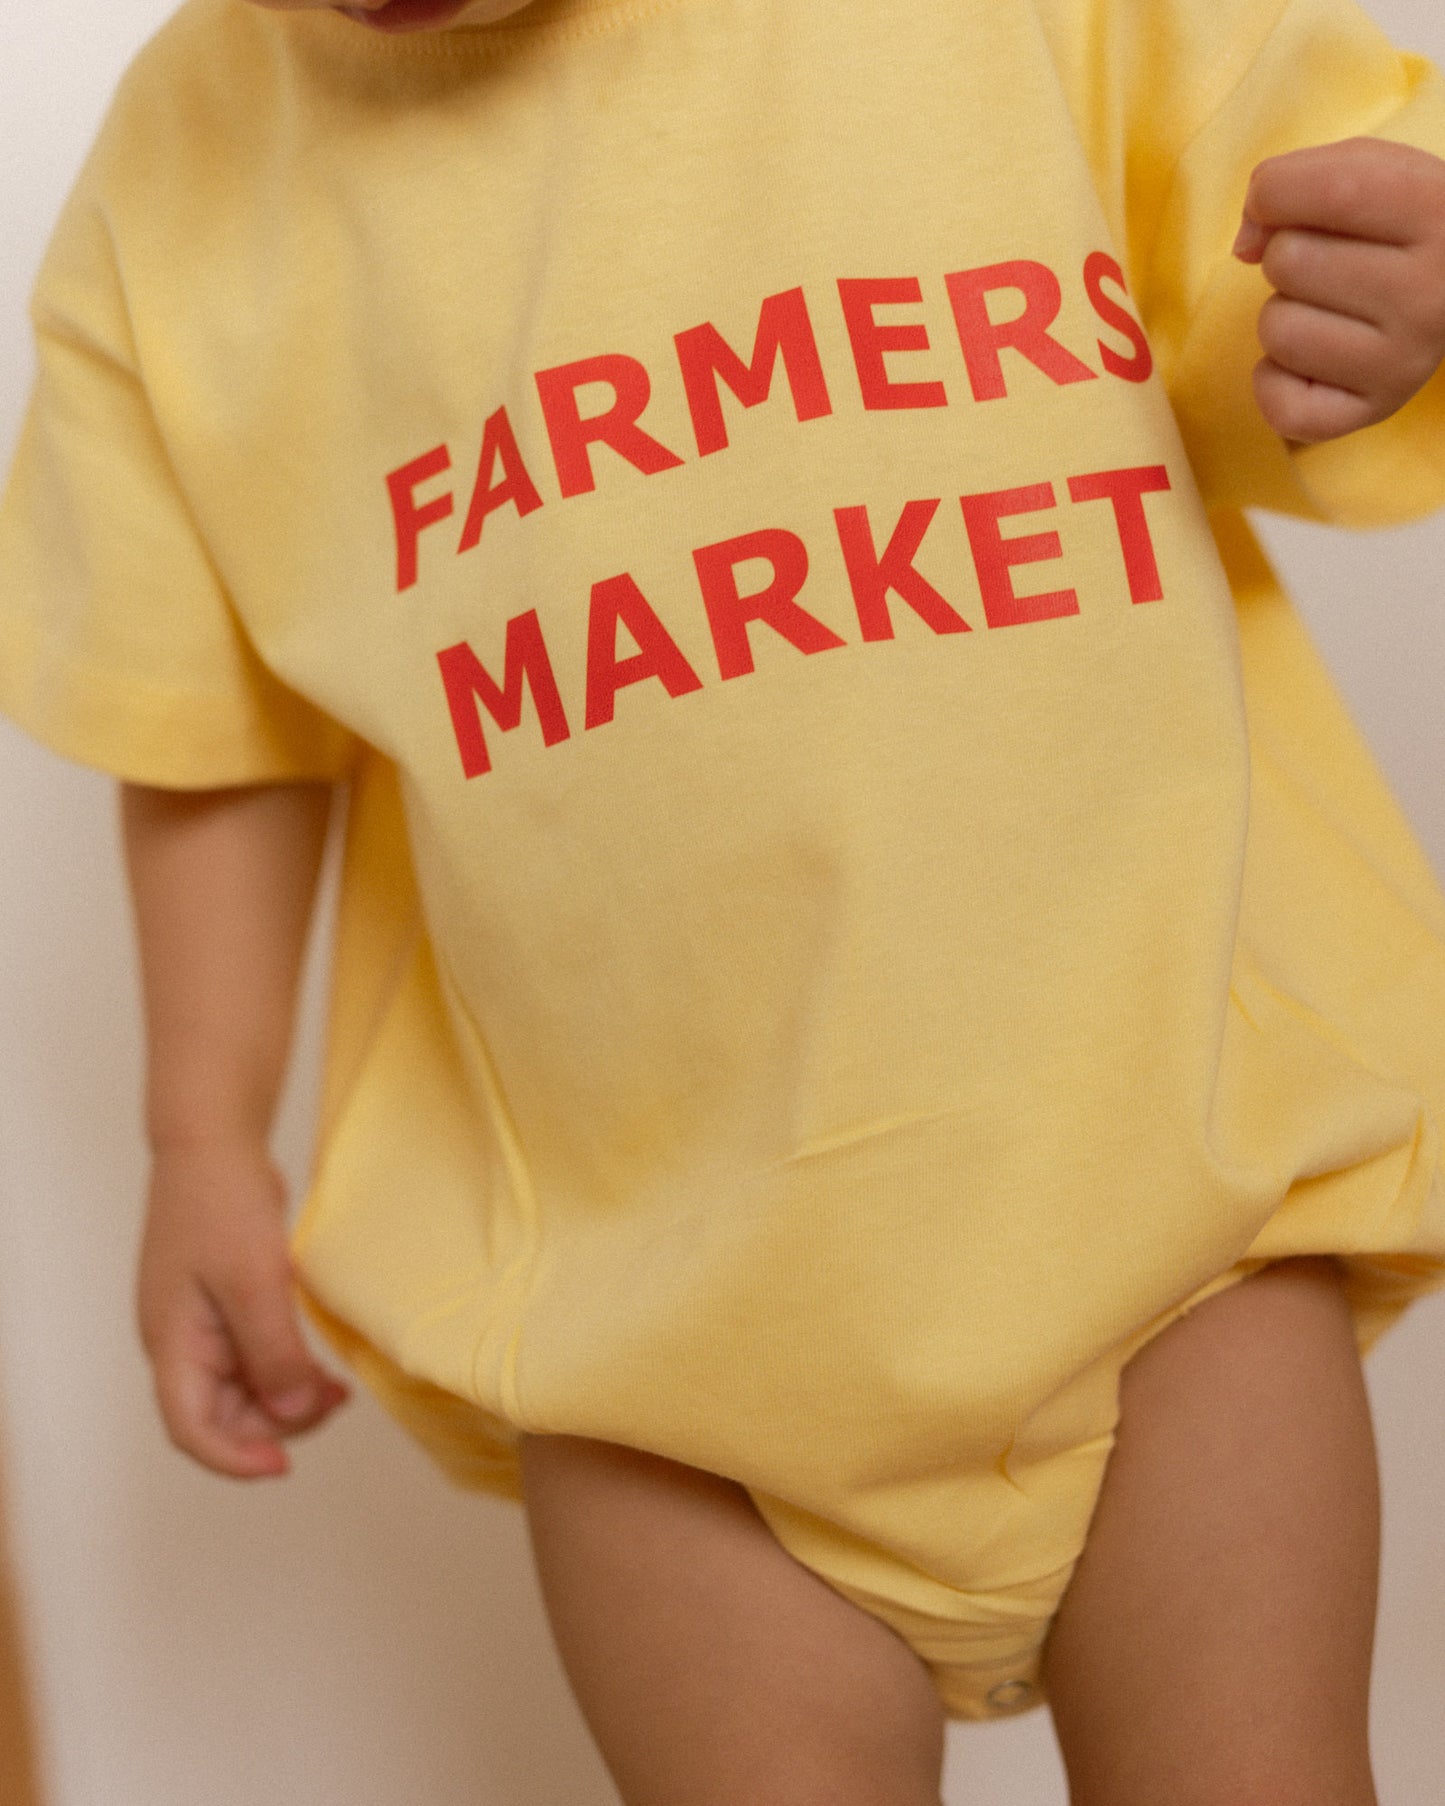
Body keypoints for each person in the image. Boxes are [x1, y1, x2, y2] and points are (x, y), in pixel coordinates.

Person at [3, 0, 1445, 1798]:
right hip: (648, 1315)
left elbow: (1318, 258)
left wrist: (1402, 288)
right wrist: (198, 1133)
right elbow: (202, 710)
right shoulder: (187, 172)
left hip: (1172, 1173)